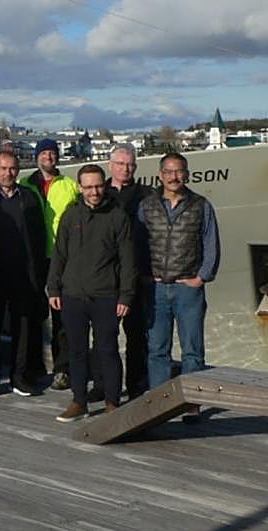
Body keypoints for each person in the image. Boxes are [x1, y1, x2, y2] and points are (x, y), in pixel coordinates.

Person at [47, 164, 136, 422]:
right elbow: (59, 254)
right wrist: (54, 287)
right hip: (73, 295)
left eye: (98, 186)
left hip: (106, 295)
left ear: (104, 185)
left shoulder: (117, 216)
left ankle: (111, 403)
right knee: (76, 351)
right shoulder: (70, 215)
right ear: (80, 187)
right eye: (88, 187)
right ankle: (79, 401)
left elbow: (127, 260)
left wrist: (125, 296)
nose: (94, 191)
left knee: (107, 350)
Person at [139, 152, 220, 399]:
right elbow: (138, 244)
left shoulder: (201, 205)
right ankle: (160, 402)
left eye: (179, 171)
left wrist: (202, 277)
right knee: (157, 349)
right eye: (169, 172)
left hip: (188, 288)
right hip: (156, 289)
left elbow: (211, 243)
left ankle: (192, 402)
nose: (174, 177)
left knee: (193, 350)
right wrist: (143, 275)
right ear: (160, 175)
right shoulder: (147, 206)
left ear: (186, 173)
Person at [0, 151, 48, 397]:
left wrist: (38, 274)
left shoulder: (28, 197)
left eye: (13, 168)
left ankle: (20, 377)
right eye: (3, 168)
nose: (8, 173)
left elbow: (39, 238)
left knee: (23, 328)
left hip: (23, 274)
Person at [21, 138, 81, 390]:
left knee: (62, 316)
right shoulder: (24, 185)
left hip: (62, 257)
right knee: (34, 314)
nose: (48, 157)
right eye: (43, 153)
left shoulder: (70, 185)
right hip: (33, 257)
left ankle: (62, 368)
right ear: (37, 157)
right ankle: (34, 367)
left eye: (52, 153)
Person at [105, 144, 154, 398]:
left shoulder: (148, 195)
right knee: (104, 334)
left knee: (136, 334)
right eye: (121, 163)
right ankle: (103, 385)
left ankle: (136, 384)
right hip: (104, 276)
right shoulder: (98, 193)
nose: (126, 168)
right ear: (110, 164)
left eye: (130, 164)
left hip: (136, 275)